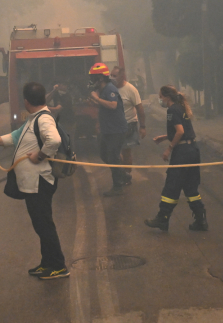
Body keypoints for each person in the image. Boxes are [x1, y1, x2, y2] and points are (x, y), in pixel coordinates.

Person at [0, 82, 69, 280]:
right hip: (32, 183)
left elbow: (54, 140)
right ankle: (47, 263)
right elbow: (16, 136)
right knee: (40, 225)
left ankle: (58, 266)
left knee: (44, 225)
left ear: (26, 101)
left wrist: (40, 156)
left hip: (40, 182)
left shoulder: (43, 120)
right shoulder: (33, 118)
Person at [145, 85, 208, 232]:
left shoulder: (172, 110)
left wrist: (169, 148)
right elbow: (183, 131)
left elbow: (180, 131)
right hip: (192, 150)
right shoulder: (180, 107)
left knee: (172, 185)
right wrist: (165, 137)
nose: (159, 99)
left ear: (167, 97)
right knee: (191, 187)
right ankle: (201, 220)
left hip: (182, 153)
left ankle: (162, 218)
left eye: (160, 96)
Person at [87, 63, 130, 196]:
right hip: (107, 129)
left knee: (113, 157)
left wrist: (97, 98)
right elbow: (105, 107)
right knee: (104, 154)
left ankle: (118, 187)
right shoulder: (103, 90)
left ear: (100, 78)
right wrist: (96, 102)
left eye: (94, 78)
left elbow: (112, 105)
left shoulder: (110, 88)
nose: (92, 81)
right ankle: (124, 175)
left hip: (116, 130)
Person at [111, 66, 147, 174]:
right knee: (114, 152)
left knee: (126, 152)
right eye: (111, 75)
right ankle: (121, 172)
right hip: (114, 126)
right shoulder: (110, 89)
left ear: (122, 76)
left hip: (128, 125)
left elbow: (140, 108)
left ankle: (127, 175)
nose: (112, 78)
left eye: (114, 76)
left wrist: (142, 127)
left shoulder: (131, 90)